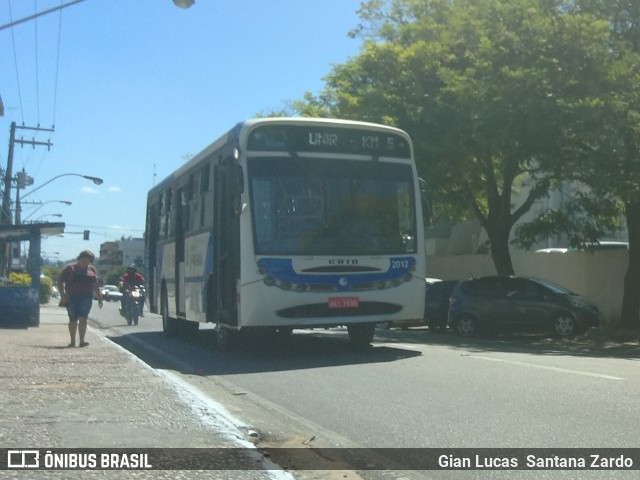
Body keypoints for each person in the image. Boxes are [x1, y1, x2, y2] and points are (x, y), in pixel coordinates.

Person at [57, 250, 103, 347]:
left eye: (89, 261)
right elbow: (60, 281)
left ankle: (82, 341)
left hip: (86, 297)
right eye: (84, 260)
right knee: (73, 319)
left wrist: (99, 297)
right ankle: (72, 341)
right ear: (80, 259)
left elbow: (95, 284)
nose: (86, 263)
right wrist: (62, 295)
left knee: (83, 318)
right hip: (72, 297)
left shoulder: (91, 270)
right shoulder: (70, 268)